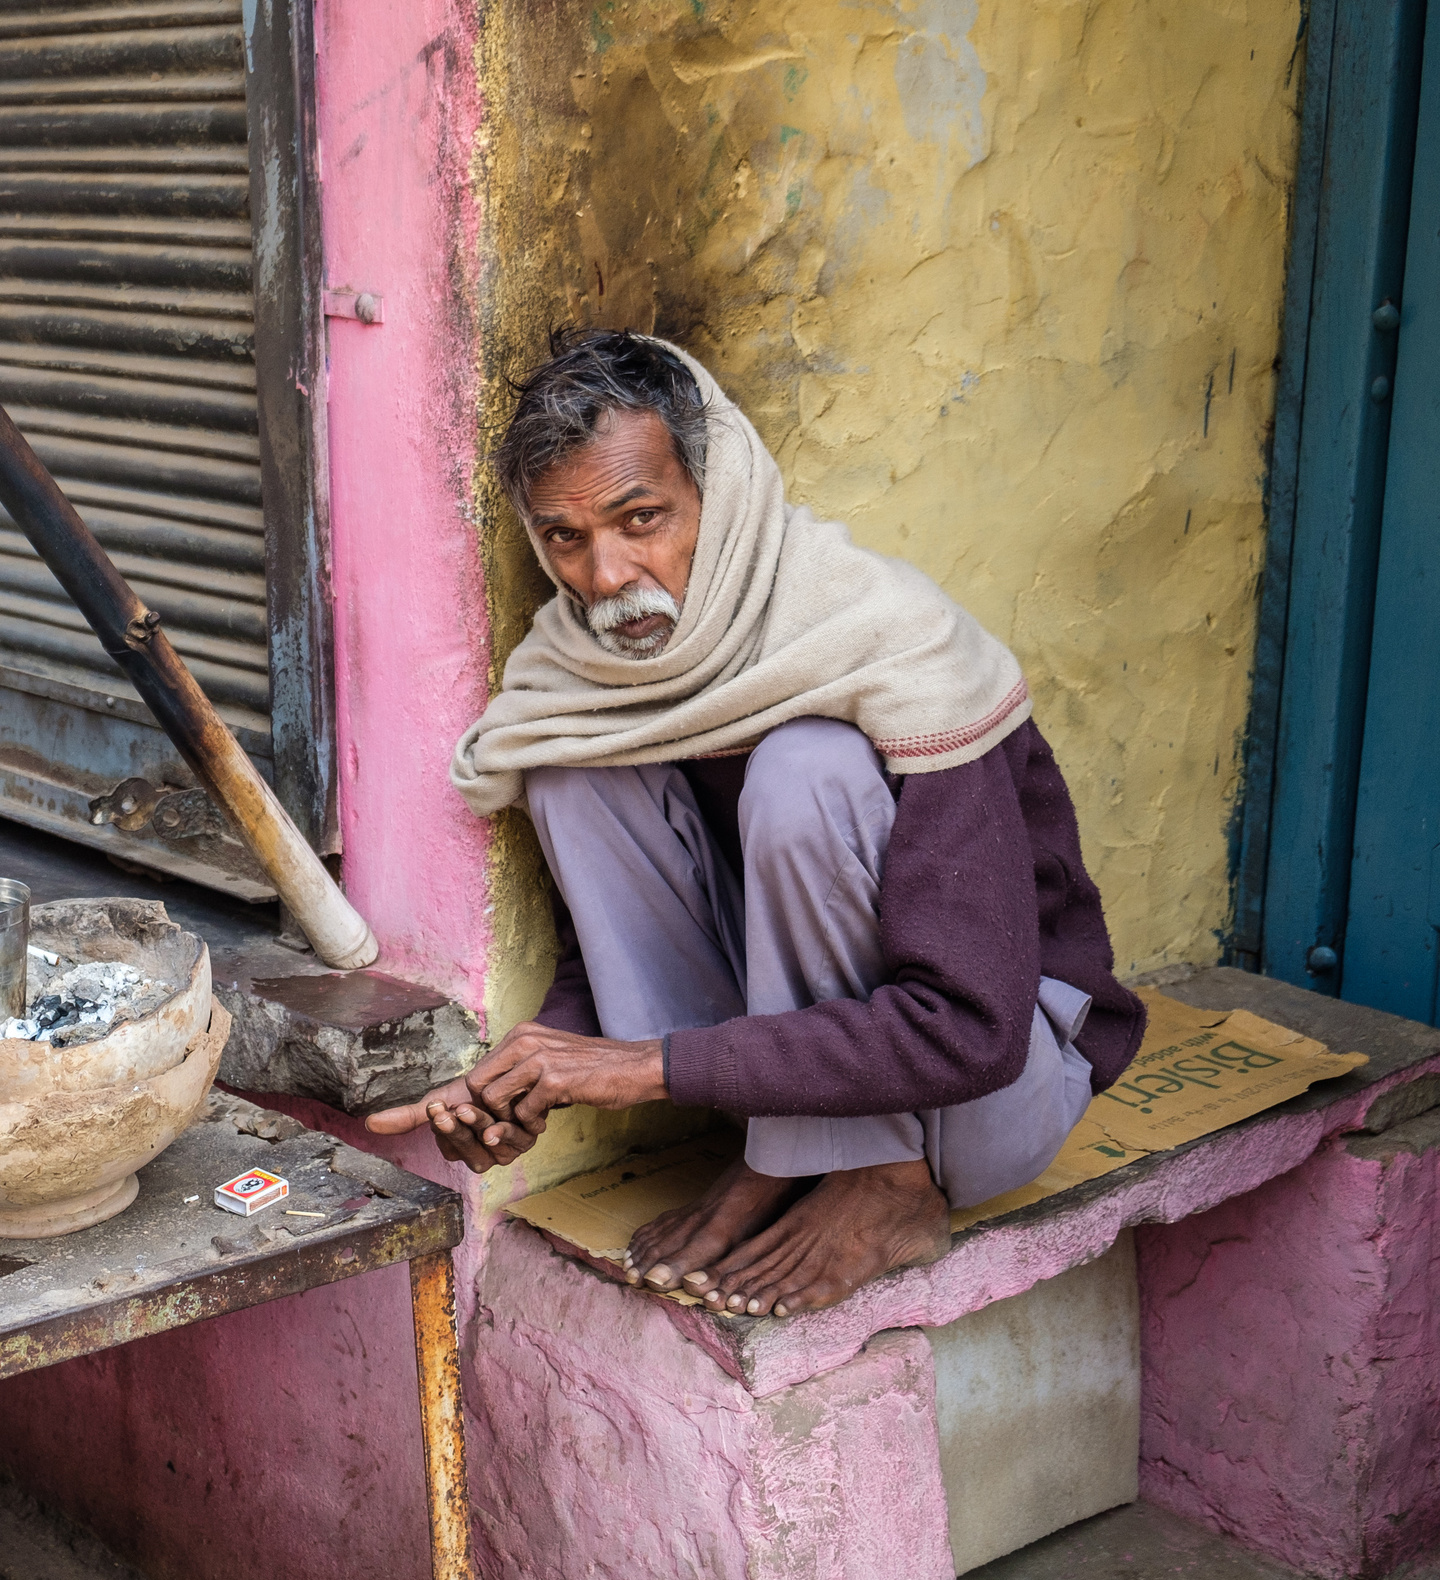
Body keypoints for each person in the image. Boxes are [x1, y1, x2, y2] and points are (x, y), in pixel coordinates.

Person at [369, 329, 1146, 1317]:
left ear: (722, 500)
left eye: (641, 518)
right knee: (564, 768)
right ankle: (783, 1152)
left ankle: (882, 1184)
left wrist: (646, 1067)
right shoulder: (583, 677)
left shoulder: (895, 649)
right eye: (565, 537)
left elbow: (973, 1035)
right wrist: (530, 1075)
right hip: (795, 1078)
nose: (606, 573)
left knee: (805, 766)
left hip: (988, 1097)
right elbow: (612, 947)